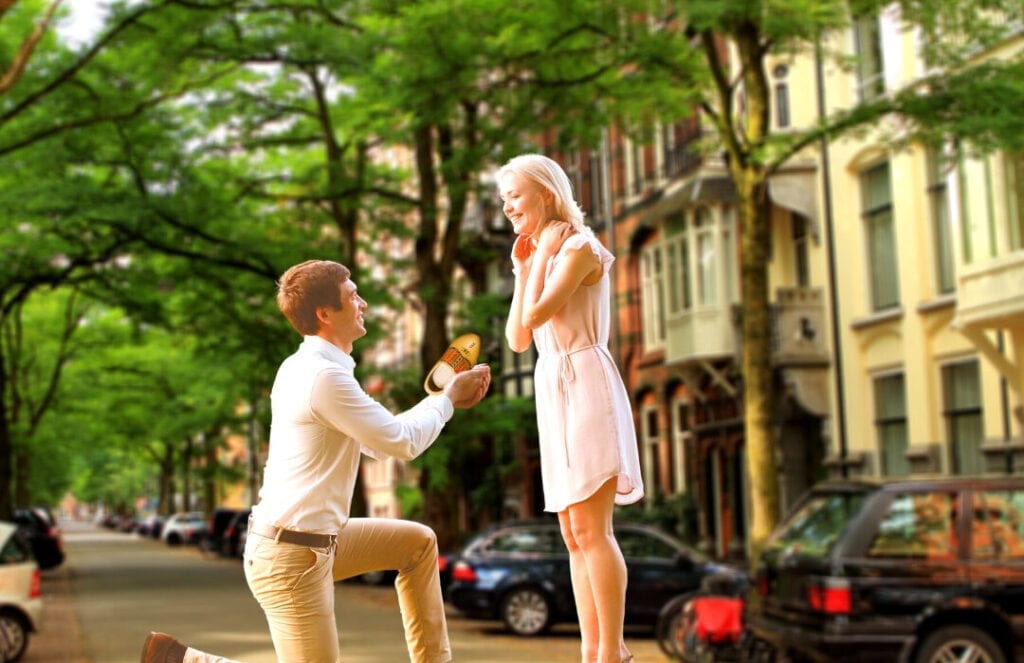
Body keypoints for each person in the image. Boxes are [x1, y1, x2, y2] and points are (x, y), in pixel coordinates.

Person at [141, 259, 491, 663]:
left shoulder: (314, 369)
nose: (363, 303)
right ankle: (186, 661)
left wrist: (441, 399)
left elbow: (379, 443)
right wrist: (446, 398)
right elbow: (401, 442)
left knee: (417, 543)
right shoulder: (323, 378)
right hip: (292, 557)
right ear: (325, 314)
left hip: (318, 541)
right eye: (353, 295)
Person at [498, 154, 643, 663]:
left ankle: (613, 652)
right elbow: (518, 339)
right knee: (572, 532)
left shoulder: (579, 247)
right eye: (504, 198)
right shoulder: (542, 255)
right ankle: (590, 652)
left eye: (514, 194)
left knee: (592, 529)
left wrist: (536, 262)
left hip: (583, 382)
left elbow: (539, 313)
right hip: (551, 384)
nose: (507, 206)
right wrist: (523, 266)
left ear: (545, 192)